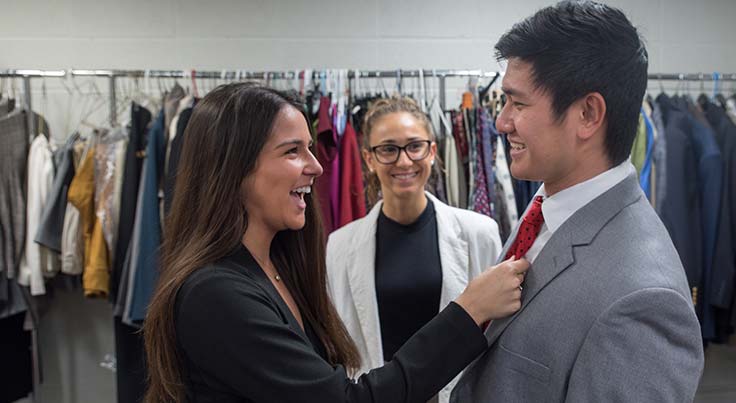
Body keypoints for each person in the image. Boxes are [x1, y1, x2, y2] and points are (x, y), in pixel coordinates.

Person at [142, 82, 529, 403]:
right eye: (293, 151)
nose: (317, 165)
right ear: (235, 167)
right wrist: (469, 309)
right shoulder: (216, 293)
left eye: (310, 147)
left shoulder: (279, 268)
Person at [450, 2, 704, 402]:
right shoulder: (547, 203)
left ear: (587, 114)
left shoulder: (644, 301)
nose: (501, 122)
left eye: (518, 103)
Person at [326, 97, 501, 403]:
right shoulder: (340, 245)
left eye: (414, 146)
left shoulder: (479, 233)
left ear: (432, 151)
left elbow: (495, 335)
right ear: (369, 159)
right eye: (389, 149)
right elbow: (338, 343)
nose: (404, 161)